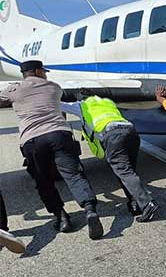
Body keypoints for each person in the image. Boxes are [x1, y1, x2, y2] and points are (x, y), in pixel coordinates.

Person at [0, 61, 103, 240]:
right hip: (59, 134)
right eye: (44, 72)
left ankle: (61, 217)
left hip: (32, 139)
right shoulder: (54, 87)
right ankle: (89, 210)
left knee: (43, 180)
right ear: (39, 71)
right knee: (74, 174)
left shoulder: (13, 89)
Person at [61, 94, 160, 222]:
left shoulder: (81, 105)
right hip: (130, 132)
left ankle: (147, 204)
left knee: (124, 172)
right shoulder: (108, 102)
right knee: (128, 172)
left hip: (112, 135)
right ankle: (135, 204)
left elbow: (58, 104)